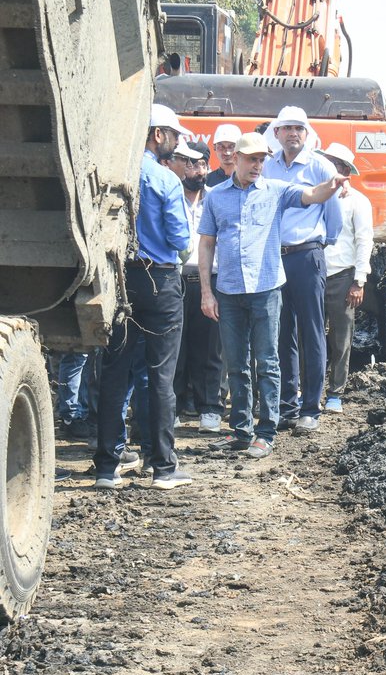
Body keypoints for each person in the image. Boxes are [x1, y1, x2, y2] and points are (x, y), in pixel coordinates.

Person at [198, 132, 349, 459]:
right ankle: (241, 429)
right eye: (251, 159)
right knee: (236, 363)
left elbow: (311, 195)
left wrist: (333, 184)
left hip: (266, 290)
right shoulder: (215, 197)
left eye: (261, 159)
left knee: (267, 361)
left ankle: (266, 430)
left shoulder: (277, 191)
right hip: (229, 290)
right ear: (235, 158)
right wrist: (206, 293)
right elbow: (207, 243)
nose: (257, 165)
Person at [93, 104, 192, 490]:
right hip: (161, 282)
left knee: (115, 374)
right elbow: (180, 240)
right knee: (160, 375)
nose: (178, 142)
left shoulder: (113, 173)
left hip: (117, 282)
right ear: (157, 135)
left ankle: (106, 467)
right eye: (174, 135)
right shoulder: (165, 180)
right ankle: (163, 468)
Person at [261, 106, 342, 435]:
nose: (293, 133)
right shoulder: (267, 166)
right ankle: (287, 406)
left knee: (311, 331)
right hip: (276, 257)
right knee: (283, 334)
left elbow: (332, 215)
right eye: (286, 128)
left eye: (299, 128)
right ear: (277, 133)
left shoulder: (320, 165)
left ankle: (311, 408)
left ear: (306, 134)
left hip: (307, 254)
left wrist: (322, 244)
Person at [169, 140, 224, 432]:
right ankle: (174, 407)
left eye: (201, 164)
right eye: (190, 164)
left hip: (210, 279)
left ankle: (210, 408)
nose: (196, 170)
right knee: (175, 348)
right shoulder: (170, 194)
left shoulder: (216, 198)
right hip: (175, 278)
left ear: (207, 167)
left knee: (210, 348)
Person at [317, 143, 373, 414]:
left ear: (343, 169)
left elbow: (364, 241)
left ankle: (335, 392)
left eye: (332, 164)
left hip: (342, 276)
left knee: (341, 337)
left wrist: (359, 280)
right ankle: (310, 390)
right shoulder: (315, 196)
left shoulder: (358, 201)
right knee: (310, 337)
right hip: (313, 275)